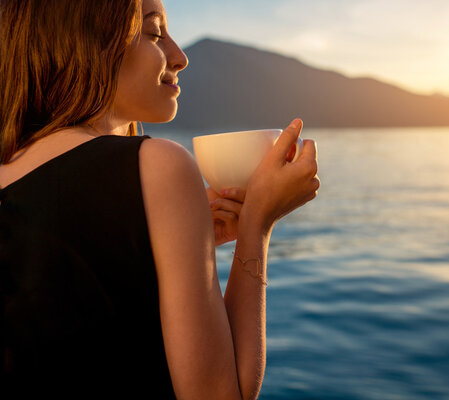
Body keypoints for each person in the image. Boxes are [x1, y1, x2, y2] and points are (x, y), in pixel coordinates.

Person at [0, 0, 319, 398]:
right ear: (84, 42)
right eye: (154, 33)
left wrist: (168, 244)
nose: (180, 56)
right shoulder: (158, 165)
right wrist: (258, 222)